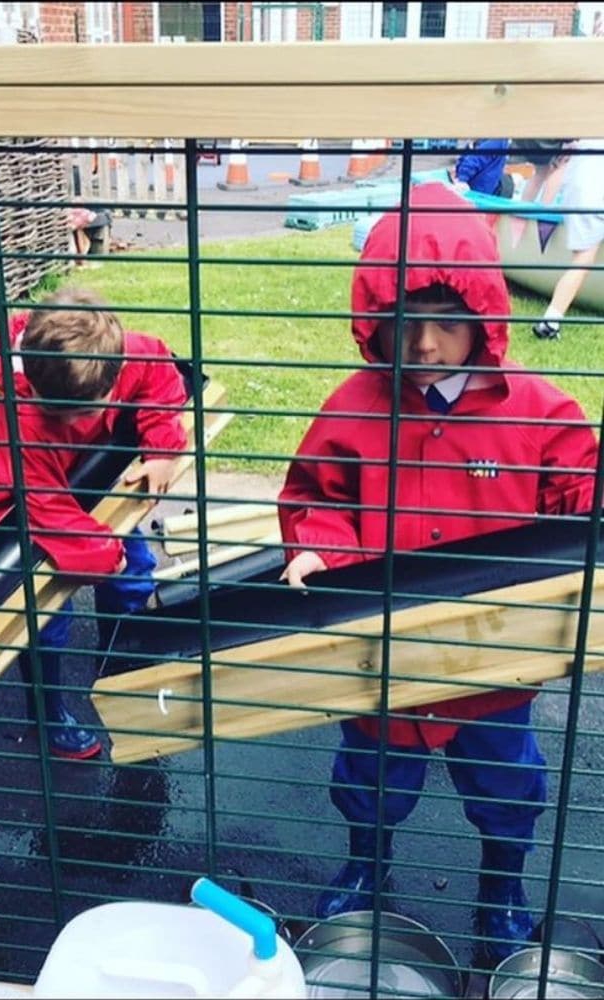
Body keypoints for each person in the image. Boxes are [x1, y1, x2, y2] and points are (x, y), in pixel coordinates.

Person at [277, 183, 598, 962]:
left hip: (493, 659)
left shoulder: (539, 410)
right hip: (380, 653)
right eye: (401, 324)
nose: (422, 346)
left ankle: (502, 890)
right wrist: (318, 545)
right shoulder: (352, 407)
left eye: (446, 323)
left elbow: (582, 494)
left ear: (484, 318)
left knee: (505, 788)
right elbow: (316, 495)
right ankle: (366, 868)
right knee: (369, 779)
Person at [0, 289, 188, 759]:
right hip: (30, 499)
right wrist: (103, 556)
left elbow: (162, 378)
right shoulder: (26, 419)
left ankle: (121, 661)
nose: (74, 421)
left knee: (134, 571)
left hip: (92, 483)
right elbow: (51, 512)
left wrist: (162, 450)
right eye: (61, 412)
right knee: (46, 611)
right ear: (33, 385)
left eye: (85, 411)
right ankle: (48, 708)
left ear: (114, 377)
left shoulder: (128, 355)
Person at [532, 139, 604, 340]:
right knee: (583, 259)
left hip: (577, 195)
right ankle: (551, 319)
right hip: (592, 198)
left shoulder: (582, 137)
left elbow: (560, 171)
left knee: (583, 258)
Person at [450, 138, 514, 197]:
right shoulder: (497, 141)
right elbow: (474, 159)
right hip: (478, 191)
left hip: (479, 190)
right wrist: (462, 179)